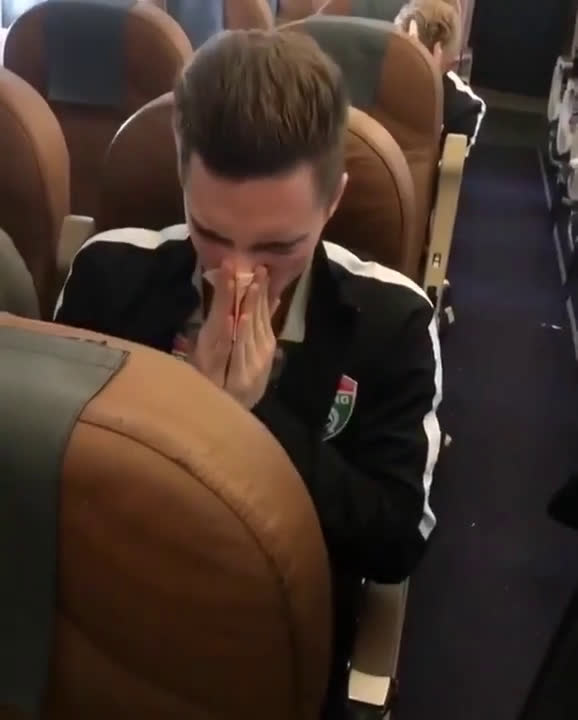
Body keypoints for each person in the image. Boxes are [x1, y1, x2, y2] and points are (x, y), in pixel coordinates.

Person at [54, 29, 442, 717]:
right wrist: (184, 409)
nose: (237, 273)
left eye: (278, 246)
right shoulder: (107, 274)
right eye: (209, 233)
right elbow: (56, 477)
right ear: (182, 179)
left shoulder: (392, 323)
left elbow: (392, 542)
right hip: (108, 609)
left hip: (278, 641)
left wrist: (255, 418)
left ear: (332, 201)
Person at [395, 0, 486, 154]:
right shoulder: (466, 108)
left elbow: (449, 163)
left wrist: (426, 90)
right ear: (452, 61)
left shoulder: (464, 109)